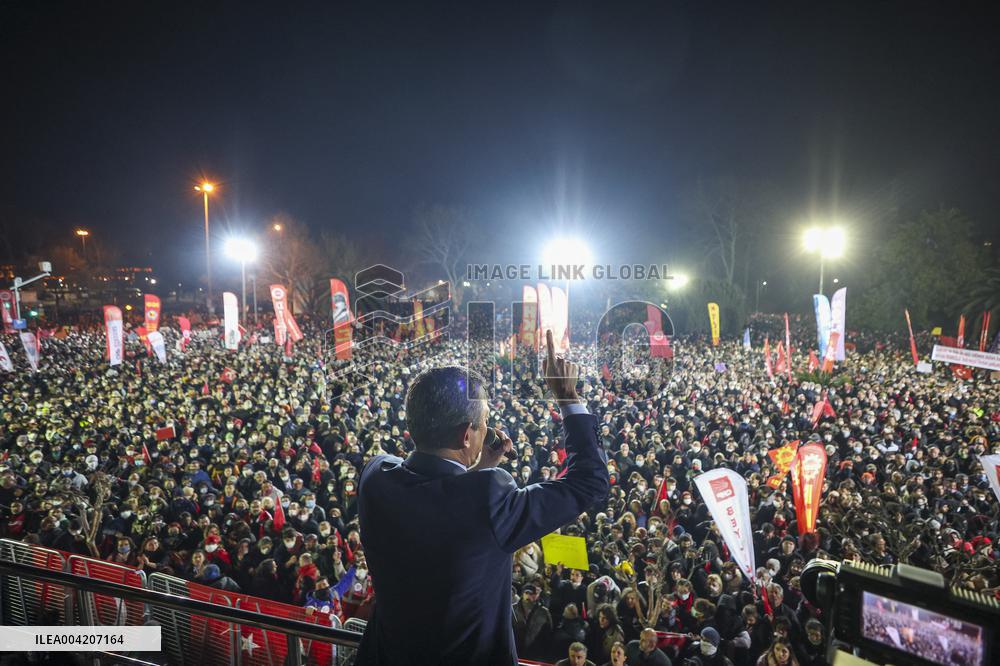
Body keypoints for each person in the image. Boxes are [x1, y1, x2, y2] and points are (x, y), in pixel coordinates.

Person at [354, 330, 610, 665]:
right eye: (484, 423)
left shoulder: (375, 475)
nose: (487, 429)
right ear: (466, 435)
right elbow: (589, 482)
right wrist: (568, 397)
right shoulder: (490, 499)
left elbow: (434, 504)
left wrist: (475, 472)